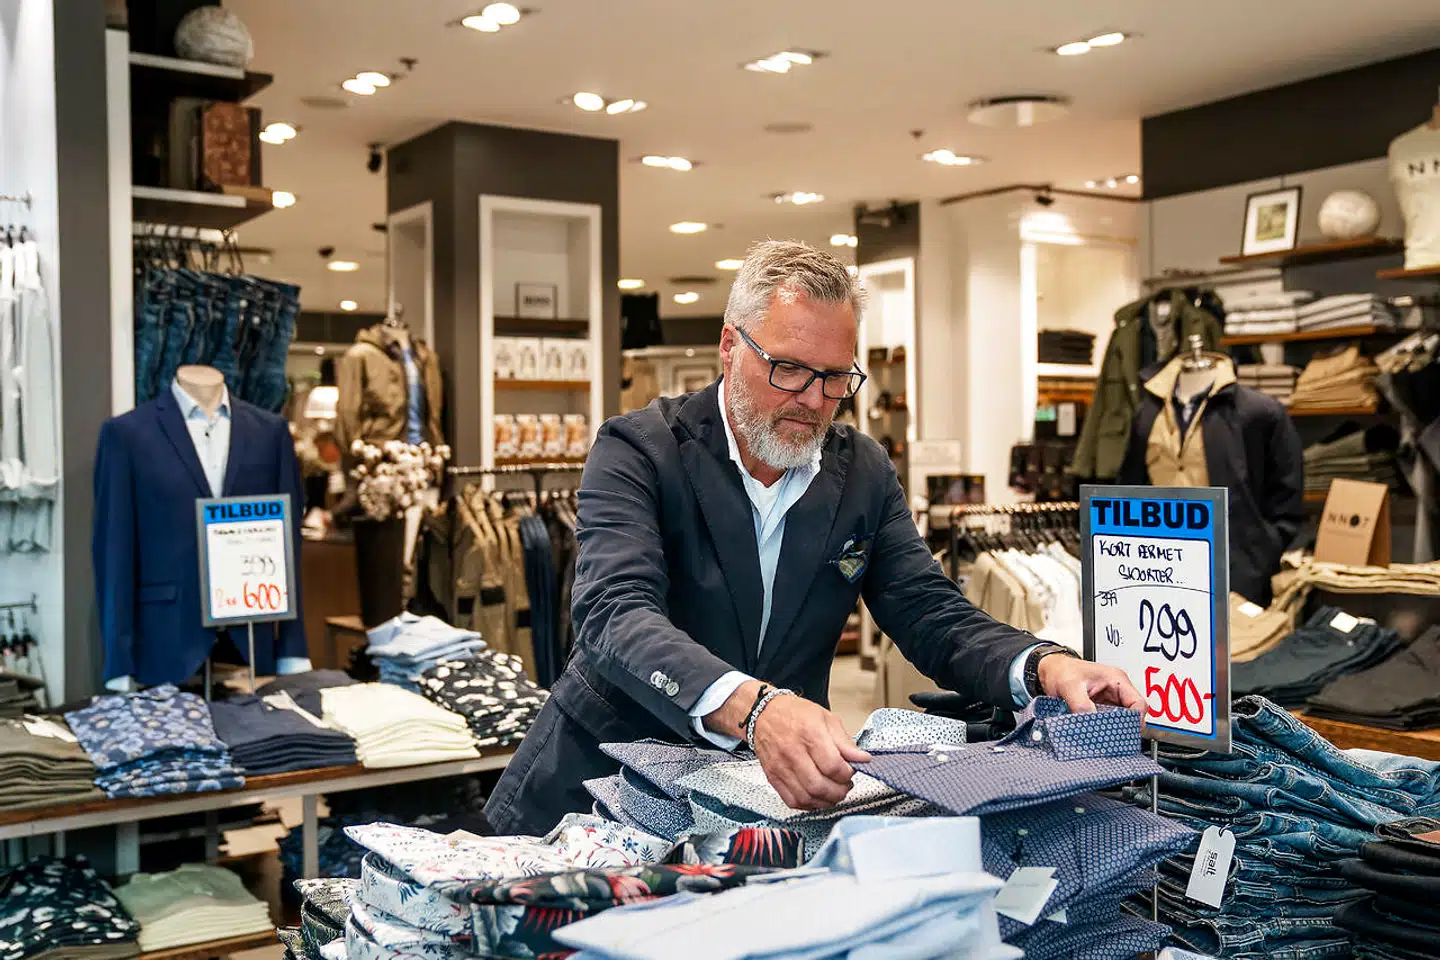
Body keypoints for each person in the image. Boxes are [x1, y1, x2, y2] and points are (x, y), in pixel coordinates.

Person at [484, 240, 1143, 836]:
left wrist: (1044, 665)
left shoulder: (860, 470)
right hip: (595, 796)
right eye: (789, 369)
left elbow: (929, 613)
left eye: (835, 379)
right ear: (729, 347)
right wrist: (755, 708)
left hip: (764, 806)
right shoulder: (638, 450)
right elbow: (615, 616)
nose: (813, 399)